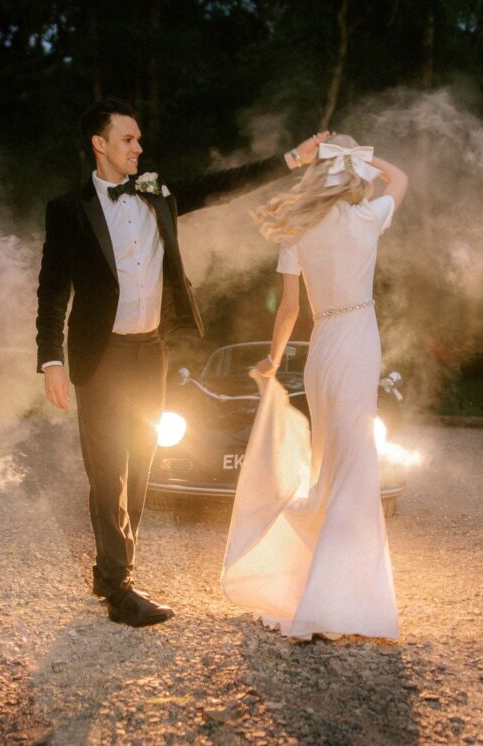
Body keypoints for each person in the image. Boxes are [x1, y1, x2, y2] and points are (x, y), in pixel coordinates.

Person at [36, 96, 327, 628]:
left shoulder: (156, 191)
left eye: (139, 139)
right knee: (108, 472)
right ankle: (120, 589)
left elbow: (221, 185)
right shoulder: (67, 209)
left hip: (151, 353)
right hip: (99, 358)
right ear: (98, 144)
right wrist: (50, 360)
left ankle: (109, 571)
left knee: (142, 466)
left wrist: (292, 160)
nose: (138, 147)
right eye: (128, 139)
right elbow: (53, 291)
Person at [221, 134, 408, 641]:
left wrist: (273, 358)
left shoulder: (298, 230)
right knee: (354, 462)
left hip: (322, 346)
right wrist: (368, 158)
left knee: (331, 462)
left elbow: (290, 310)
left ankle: (322, 588)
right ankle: (339, 601)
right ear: (354, 175)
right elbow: (402, 180)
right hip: (357, 338)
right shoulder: (367, 218)